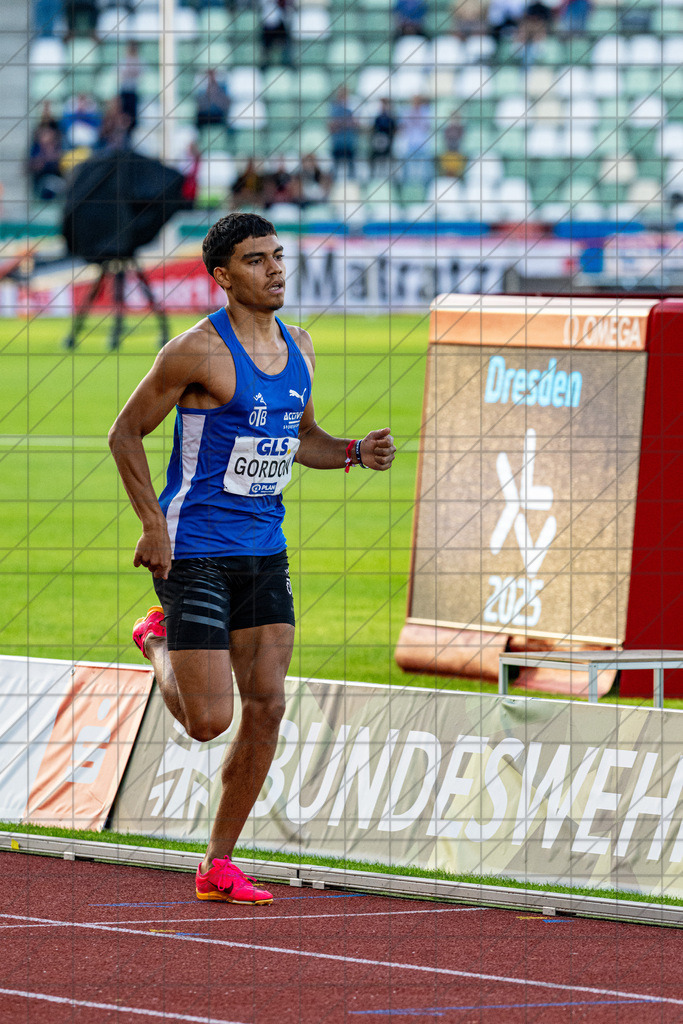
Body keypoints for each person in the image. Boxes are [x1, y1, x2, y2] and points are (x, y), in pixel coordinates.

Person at [108, 212, 396, 906]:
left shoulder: (299, 347)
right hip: (196, 550)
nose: (274, 270)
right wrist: (154, 526)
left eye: (277, 256)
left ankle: (218, 862)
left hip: (265, 552)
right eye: (255, 260)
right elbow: (125, 434)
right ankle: (156, 640)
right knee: (209, 722)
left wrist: (354, 452)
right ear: (221, 276)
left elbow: (301, 440)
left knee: (266, 706)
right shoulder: (194, 352)